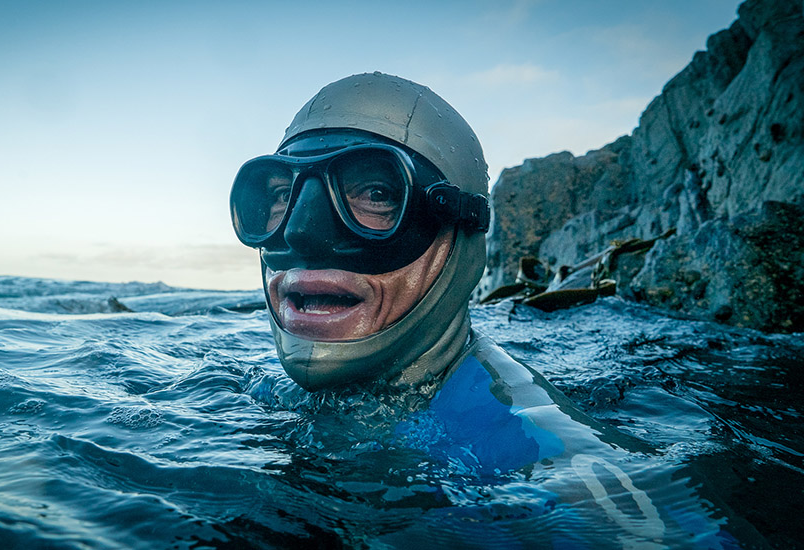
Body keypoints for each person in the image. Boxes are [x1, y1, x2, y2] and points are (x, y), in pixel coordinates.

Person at [230, 72, 749, 547]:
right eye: (279, 195)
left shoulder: (543, 458)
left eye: (377, 193)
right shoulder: (257, 391)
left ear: (460, 234)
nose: (300, 230)